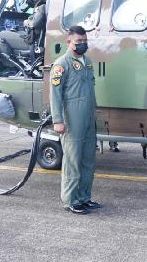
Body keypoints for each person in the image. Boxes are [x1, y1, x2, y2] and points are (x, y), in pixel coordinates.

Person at [50, 25, 101, 215]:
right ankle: (70, 200)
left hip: (88, 118)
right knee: (73, 161)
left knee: (88, 160)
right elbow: (55, 94)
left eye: (84, 41)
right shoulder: (61, 64)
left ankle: (84, 197)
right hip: (72, 119)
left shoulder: (87, 61)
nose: (82, 44)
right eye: (78, 42)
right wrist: (58, 120)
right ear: (69, 42)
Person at [0, 0, 48, 69]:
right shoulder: (44, 5)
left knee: (1, 36)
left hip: (33, 43)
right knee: (15, 32)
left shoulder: (41, 7)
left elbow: (34, 23)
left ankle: (9, 65)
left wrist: (26, 22)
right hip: (35, 38)